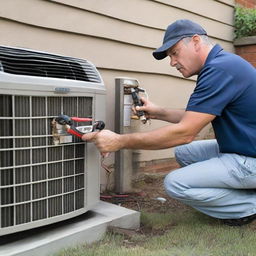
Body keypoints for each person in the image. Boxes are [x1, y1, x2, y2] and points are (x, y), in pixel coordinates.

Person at [82, 19, 256, 226]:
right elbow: (195, 116)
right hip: (243, 149)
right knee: (185, 153)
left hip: (249, 157)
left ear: (196, 41)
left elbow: (185, 133)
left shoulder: (219, 70)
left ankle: (247, 206)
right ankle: (239, 194)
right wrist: (158, 112)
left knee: (176, 183)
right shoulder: (223, 64)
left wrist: (119, 141)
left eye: (174, 52)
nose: (172, 62)